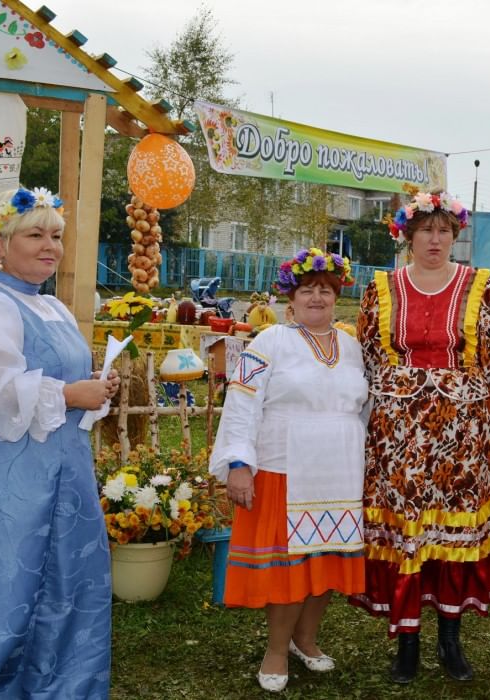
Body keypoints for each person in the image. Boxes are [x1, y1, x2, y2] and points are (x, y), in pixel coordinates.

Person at [354, 190, 490, 684]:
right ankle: (407, 643)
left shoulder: (480, 287)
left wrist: (453, 397)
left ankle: (450, 638)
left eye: (445, 230)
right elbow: (368, 355)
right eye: (426, 230)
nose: (436, 239)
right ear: (408, 235)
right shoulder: (382, 288)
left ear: (455, 235)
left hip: (459, 439)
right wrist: (404, 396)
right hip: (397, 438)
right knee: (408, 534)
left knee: (451, 535)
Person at [0, 186, 120, 698]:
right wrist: (68, 392)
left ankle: (65, 686)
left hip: (67, 470)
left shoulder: (53, 307)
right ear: (0, 244)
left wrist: (94, 389)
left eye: (56, 236)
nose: (50, 246)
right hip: (13, 478)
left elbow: (65, 382)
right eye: (35, 234)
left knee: (68, 580)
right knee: (11, 587)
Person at [210, 248, 368, 693]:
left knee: (326, 563)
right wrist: (239, 463)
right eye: (307, 290)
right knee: (289, 569)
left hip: (338, 470)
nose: (317, 297)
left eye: (325, 290)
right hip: (284, 468)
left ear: (337, 298)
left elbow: (364, 408)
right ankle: (276, 649)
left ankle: (306, 639)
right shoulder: (269, 342)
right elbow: (241, 400)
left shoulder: (352, 347)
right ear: (291, 298)